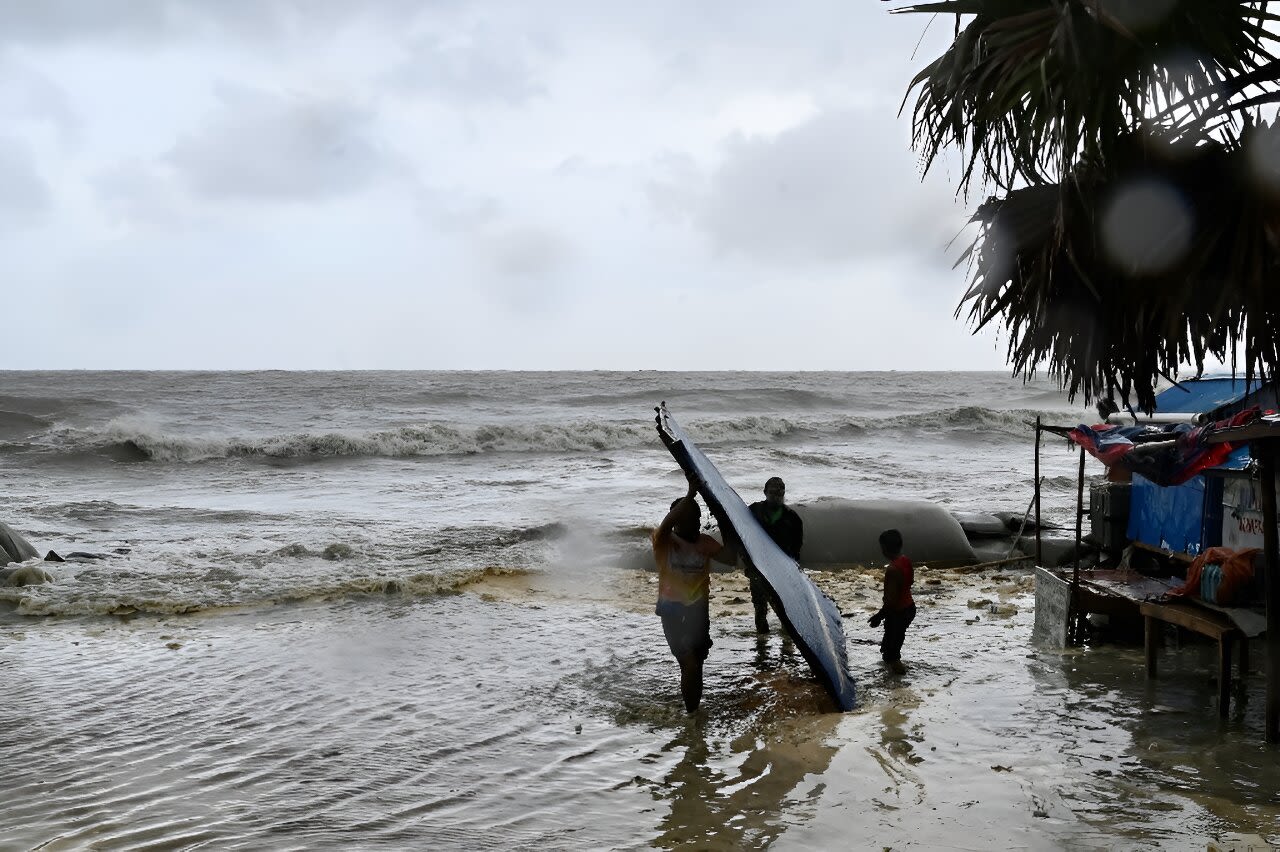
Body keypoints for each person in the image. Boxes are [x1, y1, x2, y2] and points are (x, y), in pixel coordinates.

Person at [652, 476, 737, 712]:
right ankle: (691, 715)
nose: (695, 523)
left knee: (696, 664)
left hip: (698, 611)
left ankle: (693, 714)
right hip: (672, 611)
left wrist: (723, 515)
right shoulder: (664, 542)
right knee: (689, 663)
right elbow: (666, 524)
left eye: (697, 518)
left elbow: (731, 558)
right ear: (678, 520)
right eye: (688, 518)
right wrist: (690, 495)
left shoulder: (705, 543)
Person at [746, 477, 803, 633]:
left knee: (785, 609)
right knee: (760, 609)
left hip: (782, 571)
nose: (776, 496)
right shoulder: (753, 511)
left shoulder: (793, 518)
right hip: (757, 567)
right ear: (765, 492)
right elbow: (741, 532)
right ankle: (762, 644)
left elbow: (797, 549)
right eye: (772, 492)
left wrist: (795, 571)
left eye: (780, 492)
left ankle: (788, 643)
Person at [868, 528, 915, 675]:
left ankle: (899, 683)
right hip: (909, 608)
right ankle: (892, 677)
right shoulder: (906, 561)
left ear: (884, 549)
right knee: (893, 642)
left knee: (892, 651)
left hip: (898, 613)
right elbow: (910, 581)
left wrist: (878, 617)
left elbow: (891, 601)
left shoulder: (892, 570)